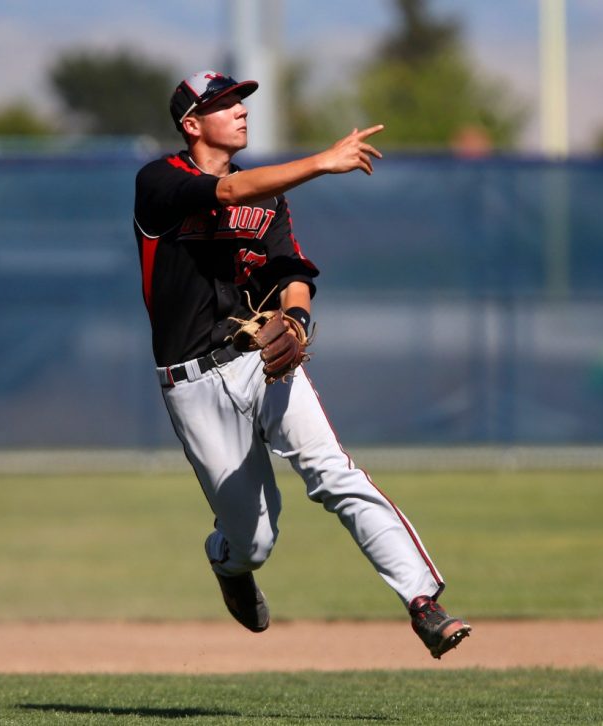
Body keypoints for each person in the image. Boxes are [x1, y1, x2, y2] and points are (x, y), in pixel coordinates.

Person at [132, 70, 471, 659]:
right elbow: (228, 195)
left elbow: (290, 272)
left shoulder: (269, 196)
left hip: (259, 360)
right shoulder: (158, 182)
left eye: (241, 101)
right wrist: (323, 160)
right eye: (225, 103)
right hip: (192, 384)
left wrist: (295, 321)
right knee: (254, 538)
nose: (240, 110)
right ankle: (229, 563)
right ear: (192, 125)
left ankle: (424, 604)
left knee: (334, 473)